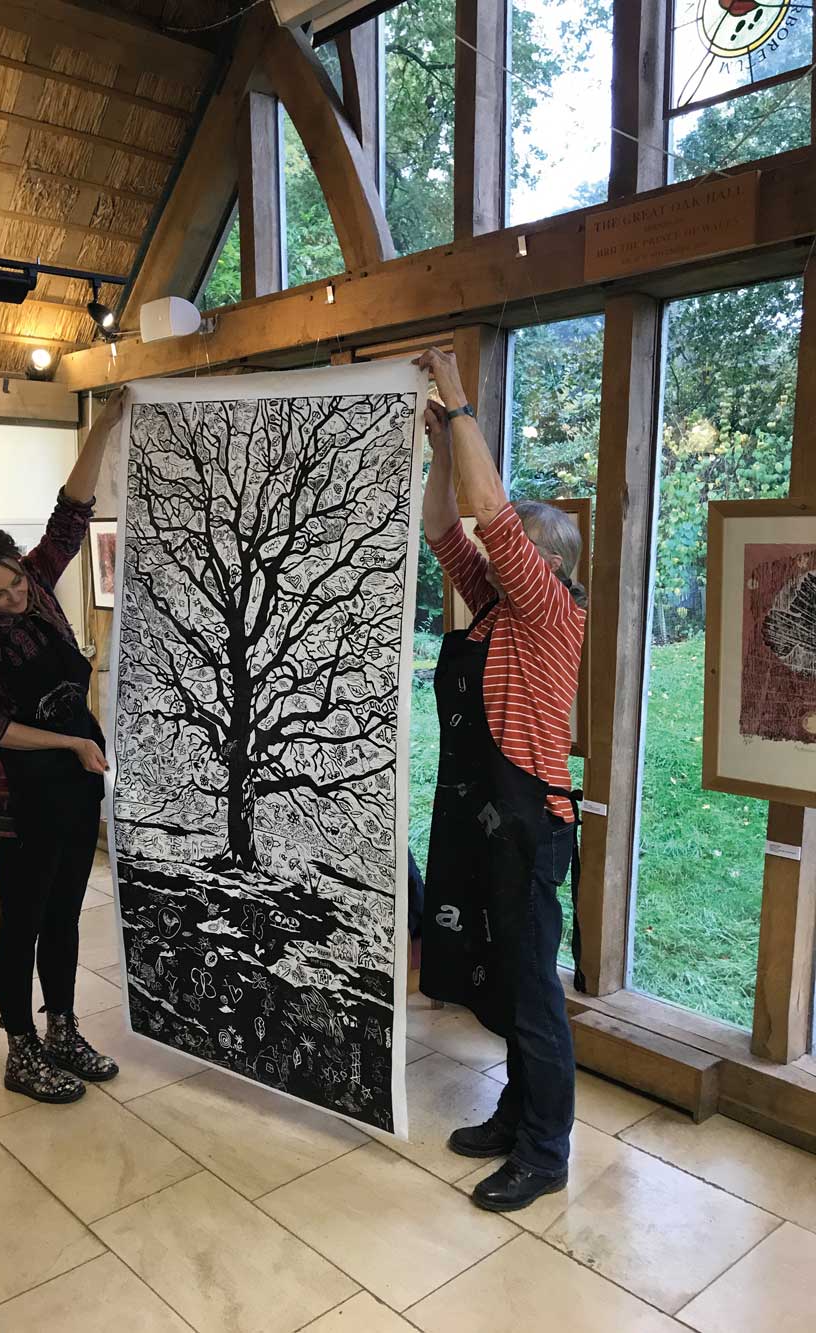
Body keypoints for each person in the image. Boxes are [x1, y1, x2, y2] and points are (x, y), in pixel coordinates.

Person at [414, 347, 587, 1213]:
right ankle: (519, 1113)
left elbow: (486, 513)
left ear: (542, 565)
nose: (494, 548)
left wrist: (456, 395)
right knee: (509, 978)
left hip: (526, 826)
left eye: (514, 543)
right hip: (488, 818)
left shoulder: (552, 612)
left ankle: (545, 1150)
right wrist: (445, 440)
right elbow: (444, 523)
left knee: (533, 996)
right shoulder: (494, 608)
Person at [0, 390, 126, 1104]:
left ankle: (64, 1027)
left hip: (75, 785)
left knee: (66, 914)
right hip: (21, 799)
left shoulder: (40, 584)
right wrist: (73, 744)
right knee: (22, 923)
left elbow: (70, 514)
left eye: (15, 579)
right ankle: (20, 1046)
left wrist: (103, 423)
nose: (16, 596)